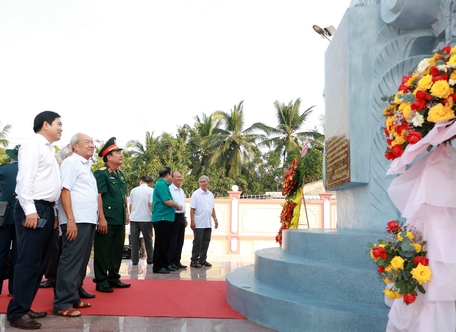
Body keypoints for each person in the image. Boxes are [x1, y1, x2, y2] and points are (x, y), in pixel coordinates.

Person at [7, 111, 62, 330]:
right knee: (28, 262)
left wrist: (55, 213)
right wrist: (30, 210)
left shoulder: (48, 149)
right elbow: (24, 180)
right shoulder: (33, 146)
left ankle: (24, 305)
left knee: (38, 264)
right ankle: (18, 312)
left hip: (45, 209)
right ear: (45, 124)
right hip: (35, 209)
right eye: (58, 124)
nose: (61, 128)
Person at [52, 133, 98, 317]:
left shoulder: (86, 166)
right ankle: (62, 303)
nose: (92, 145)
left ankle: (73, 297)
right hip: (76, 220)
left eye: (93, 142)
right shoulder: (71, 163)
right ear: (75, 147)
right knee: (71, 260)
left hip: (88, 219)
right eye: (87, 142)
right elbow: (65, 191)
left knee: (81, 261)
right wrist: (70, 220)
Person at [93, 137, 130, 293]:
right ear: (108, 156)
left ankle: (114, 277)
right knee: (103, 251)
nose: (121, 155)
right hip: (107, 219)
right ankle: (101, 280)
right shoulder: (101, 174)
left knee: (117, 250)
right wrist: (101, 218)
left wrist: (127, 212)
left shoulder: (120, 174)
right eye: (117, 152)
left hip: (119, 218)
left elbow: (123, 196)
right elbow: (98, 195)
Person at [151, 167, 182, 274]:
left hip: (166, 218)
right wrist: (178, 206)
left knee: (165, 243)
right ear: (168, 175)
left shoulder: (164, 185)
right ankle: (158, 266)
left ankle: (164, 264)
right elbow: (167, 201)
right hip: (162, 217)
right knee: (161, 243)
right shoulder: (161, 185)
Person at [0, 145, 20, 296]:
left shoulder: (3, 169)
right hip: (23, 217)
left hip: (3, 217)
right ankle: (14, 290)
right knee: (18, 255)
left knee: (1, 252)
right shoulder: (31, 172)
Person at [190, 175, 218, 268]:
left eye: (204, 182)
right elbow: (192, 209)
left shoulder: (210, 195)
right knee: (197, 242)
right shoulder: (196, 194)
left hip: (207, 223)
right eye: (201, 182)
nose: (202, 183)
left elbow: (212, 208)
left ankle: (203, 259)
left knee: (206, 241)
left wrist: (215, 219)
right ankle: (194, 260)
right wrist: (192, 221)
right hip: (198, 223)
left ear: (208, 183)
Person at [129, 176, 154, 266]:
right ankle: (150, 259)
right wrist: (153, 215)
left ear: (141, 181)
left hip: (134, 218)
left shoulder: (133, 190)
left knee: (134, 240)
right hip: (146, 218)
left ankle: (135, 260)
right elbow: (150, 204)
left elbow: (130, 205)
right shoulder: (151, 190)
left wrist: (130, 215)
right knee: (148, 240)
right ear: (148, 183)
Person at [167, 171, 187, 270]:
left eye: (180, 177)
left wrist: (185, 217)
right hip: (173, 216)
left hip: (181, 217)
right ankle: (170, 262)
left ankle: (177, 261)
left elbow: (183, 204)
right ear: (172, 178)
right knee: (173, 240)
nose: (180, 178)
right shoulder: (169, 189)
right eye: (178, 177)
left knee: (180, 240)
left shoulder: (181, 190)